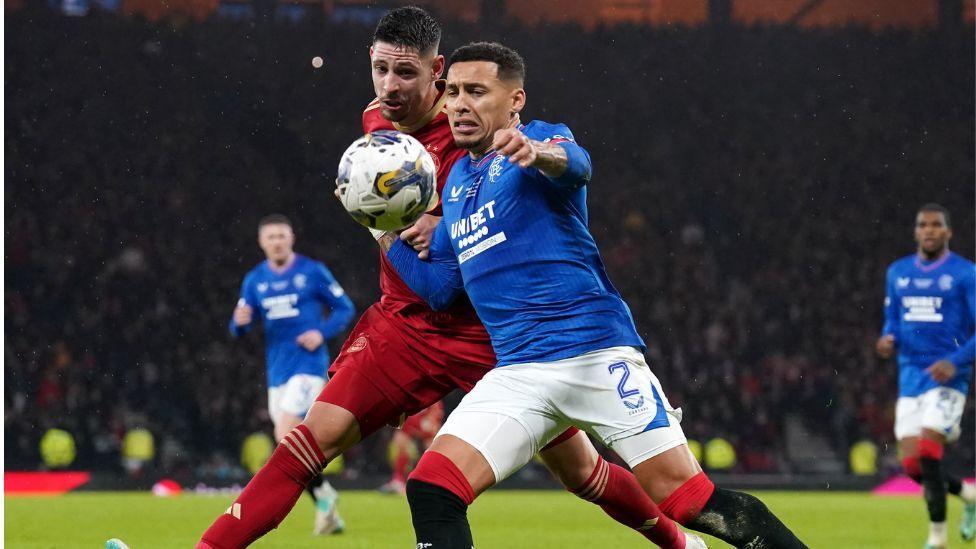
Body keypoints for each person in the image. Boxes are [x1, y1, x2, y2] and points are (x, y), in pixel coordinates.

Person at [199, 8, 694, 548]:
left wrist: (428, 225)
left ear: (437, 70)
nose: (390, 87)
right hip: (403, 325)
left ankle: (681, 542)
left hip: (490, 333)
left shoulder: (473, 133)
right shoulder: (374, 123)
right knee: (307, 442)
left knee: (580, 473)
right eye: (381, 70)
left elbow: (479, 244)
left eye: (406, 73)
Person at [384, 41, 806, 549]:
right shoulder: (456, 188)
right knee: (432, 488)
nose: (457, 104)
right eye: (451, 91)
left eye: (476, 91)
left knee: (690, 501)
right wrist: (382, 233)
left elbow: (577, 165)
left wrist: (538, 154)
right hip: (519, 372)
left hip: (594, 354)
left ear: (515, 100)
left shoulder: (539, 139)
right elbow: (440, 288)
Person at [229, 214, 355, 535]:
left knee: (286, 433)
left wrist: (320, 332)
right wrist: (239, 321)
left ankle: (321, 497)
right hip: (277, 372)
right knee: (287, 440)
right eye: (271, 237)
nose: (277, 242)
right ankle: (325, 497)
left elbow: (345, 308)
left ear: (292, 238)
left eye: (282, 236)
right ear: (261, 242)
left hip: (308, 368)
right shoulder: (255, 280)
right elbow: (239, 328)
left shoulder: (312, 272)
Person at [875, 203, 975, 549]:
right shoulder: (898, 272)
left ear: (948, 232)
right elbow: (894, 320)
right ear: (916, 231)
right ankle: (968, 495)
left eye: (936, 225)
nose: (929, 230)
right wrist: (888, 338)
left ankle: (937, 538)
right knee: (913, 466)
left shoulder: (965, 274)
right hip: (910, 377)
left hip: (948, 376)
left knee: (930, 451)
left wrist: (956, 360)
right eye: (923, 225)